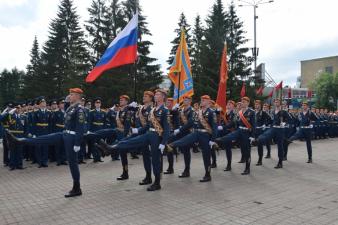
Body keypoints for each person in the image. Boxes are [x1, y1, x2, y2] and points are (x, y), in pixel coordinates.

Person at [5, 88, 86, 197]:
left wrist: (77, 143)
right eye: (69, 94)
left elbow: (80, 128)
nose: (69, 96)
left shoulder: (79, 110)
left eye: (71, 94)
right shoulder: (71, 108)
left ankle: (77, 188)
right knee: (45, 138)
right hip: (64, 134)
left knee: (73, 164)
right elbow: (66, 111)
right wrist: (67, 101)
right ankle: (21, 141)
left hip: (72, 138)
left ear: (77, 96)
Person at [97, 89, 170, 191]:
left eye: (158, 94)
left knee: (155, 160)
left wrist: (163, 143)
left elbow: (167, 129)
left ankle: (157, 183)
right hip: (149, 133)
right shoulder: (154, 110)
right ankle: (111, 147)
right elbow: (148, 125)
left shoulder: (165, 110)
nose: (156, 96)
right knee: (132, 141)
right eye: (156, 94)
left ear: (163, 97)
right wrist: (137, 130)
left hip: (157, 137)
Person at [169, 95, 217, 182]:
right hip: (197, 132)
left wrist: (213, 140)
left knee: (206, 156)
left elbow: (214, 127)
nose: (202, 101)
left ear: (208, 102)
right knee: (185, 139)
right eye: (201, 99)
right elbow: (193, 123)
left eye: (204, 100)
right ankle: (171, 145)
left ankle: (207, 174)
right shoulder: (198, 112)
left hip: (205, 135)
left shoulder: (211, 112)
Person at [215, 97, 255, 175]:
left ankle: (247, 168)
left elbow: (254, 125)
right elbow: (232, 123)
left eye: (244, 102)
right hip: (239, 130)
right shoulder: (239, 112)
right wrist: (223, 127)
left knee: (246, 151)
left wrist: (252, 136)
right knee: (229, 136)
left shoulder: (251, 112)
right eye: (242, 101)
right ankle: (218, 140)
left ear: (248, 103)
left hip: (246, 132)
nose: (242, 103)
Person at [256, 99, 291, 169]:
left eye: (277, 102)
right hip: (272, 128)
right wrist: (265, 124)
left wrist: (284, 123)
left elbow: (290, 120)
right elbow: (270, 120)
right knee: (260, 139)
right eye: (275, 102)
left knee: (280, 146)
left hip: (280, 129)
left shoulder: (284, 112)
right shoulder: (272, 111)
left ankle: (280, 162)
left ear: (280, 103)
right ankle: (260, 159)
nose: (276, 103)